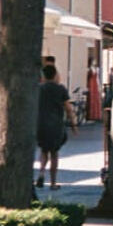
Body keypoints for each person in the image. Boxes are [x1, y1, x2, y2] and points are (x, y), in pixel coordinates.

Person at [36, 62, 73, 190]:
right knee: (54, 154)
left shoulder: (39, 88)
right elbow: (68, 108)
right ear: (55, 74)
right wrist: (73, 124)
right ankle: (52, 183)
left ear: (43, 75)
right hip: (56, 125)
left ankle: (41, 173)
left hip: (40, 124)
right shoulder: (60, 89)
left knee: (43, 151)